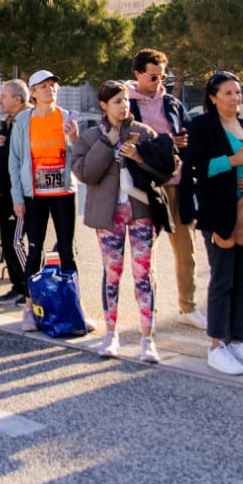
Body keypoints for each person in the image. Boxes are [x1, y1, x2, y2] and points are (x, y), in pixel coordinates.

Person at [186, 71, 243, 376]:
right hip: (220, 214)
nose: (235, 99)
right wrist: (232, 162)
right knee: (222, 280)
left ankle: (238, 341)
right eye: (227, 93)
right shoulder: (202, 125)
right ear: (212, 97)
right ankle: (216, 346)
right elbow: (195, 167)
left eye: (237, 93)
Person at [73, 81, 168, 363]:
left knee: (143, 274)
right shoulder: (91, 137)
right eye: (116, 101)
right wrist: (107, 143)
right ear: (103, 105)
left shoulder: (144, 133)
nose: (123, 105)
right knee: (111, 274)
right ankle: (111, 333)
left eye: (125, 100)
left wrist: (138, 155)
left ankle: (147, 338)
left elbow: (162, 170)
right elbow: (84, 173)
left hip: (141, 211)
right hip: (108, 214)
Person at [127, 49, 205, 330]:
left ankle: (189, 306)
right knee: (145, 253)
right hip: (147, 187)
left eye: (162, 75)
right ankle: (149, 310)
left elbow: (188, 136)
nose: (159, 80)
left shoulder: (172, 103)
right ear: (137, 74)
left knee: (186, 251)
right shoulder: (127, 106)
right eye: (152, 75)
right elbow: (126, 145)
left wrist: (184, 141)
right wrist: (166, 141)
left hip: (179, 184)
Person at [8, 70, 81, 281]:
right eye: (44, 87)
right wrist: (18, 198)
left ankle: (72, 301)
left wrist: (74, 137)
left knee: (67, 250)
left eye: (52, 86)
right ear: (33, 93)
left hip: (64, 193)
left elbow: (79, 157)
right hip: (35, 194)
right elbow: (14, 161)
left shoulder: (67, 117)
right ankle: (33, 303)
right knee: (35, 251)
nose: (50, 90)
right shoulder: (22, 121)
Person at [0, 79, 29, 305]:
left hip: (18, 194)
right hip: (4, 193)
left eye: (3, 96)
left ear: (17, 98)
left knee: (16, 242)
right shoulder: (10, 120)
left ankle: (31, 288)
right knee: (8, 241)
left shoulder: (27, 120)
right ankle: (18, 286)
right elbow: (3, 154)